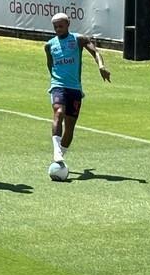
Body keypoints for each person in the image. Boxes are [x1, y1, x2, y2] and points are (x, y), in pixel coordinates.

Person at [46, 12, 111, 170]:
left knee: (70, 127)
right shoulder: (49, 45)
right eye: (55, 27)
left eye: (61, 26)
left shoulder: (78, 39)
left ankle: (60, 155)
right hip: (58, 85)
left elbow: (95, 52)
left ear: (68, 24)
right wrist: (55, 80)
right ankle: (56, 151)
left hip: (75, 88)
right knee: (58, 112)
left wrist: (101, 66)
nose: (58, 29)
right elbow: (50, 65)